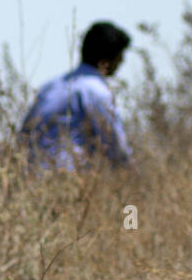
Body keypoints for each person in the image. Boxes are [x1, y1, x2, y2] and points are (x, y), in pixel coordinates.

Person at [21, 21, 132, 171]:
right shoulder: (96, 91)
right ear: (108, 60)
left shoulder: (50, 87)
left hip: (33, 175)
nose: (122, 62)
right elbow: (116, 147)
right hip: (68, 178)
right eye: (120, 57)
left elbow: (25, 133)